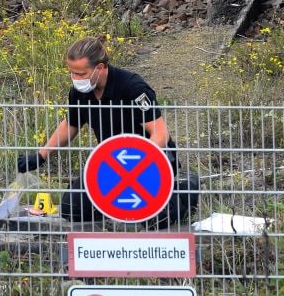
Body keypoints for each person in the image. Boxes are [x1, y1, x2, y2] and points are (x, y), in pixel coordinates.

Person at [16, 36, 199, 228]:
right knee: (72, 209)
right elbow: (71, 125)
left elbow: (160, 134)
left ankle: (185, 191)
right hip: (111, 163)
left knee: (157, 221)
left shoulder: (133, 87)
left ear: (100, 68)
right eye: (72, 73)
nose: (76, 79)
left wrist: (136, 165)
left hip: (149, 162)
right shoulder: (80, 92)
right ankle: (109, 218)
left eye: (81, 73)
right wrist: (41, 155)